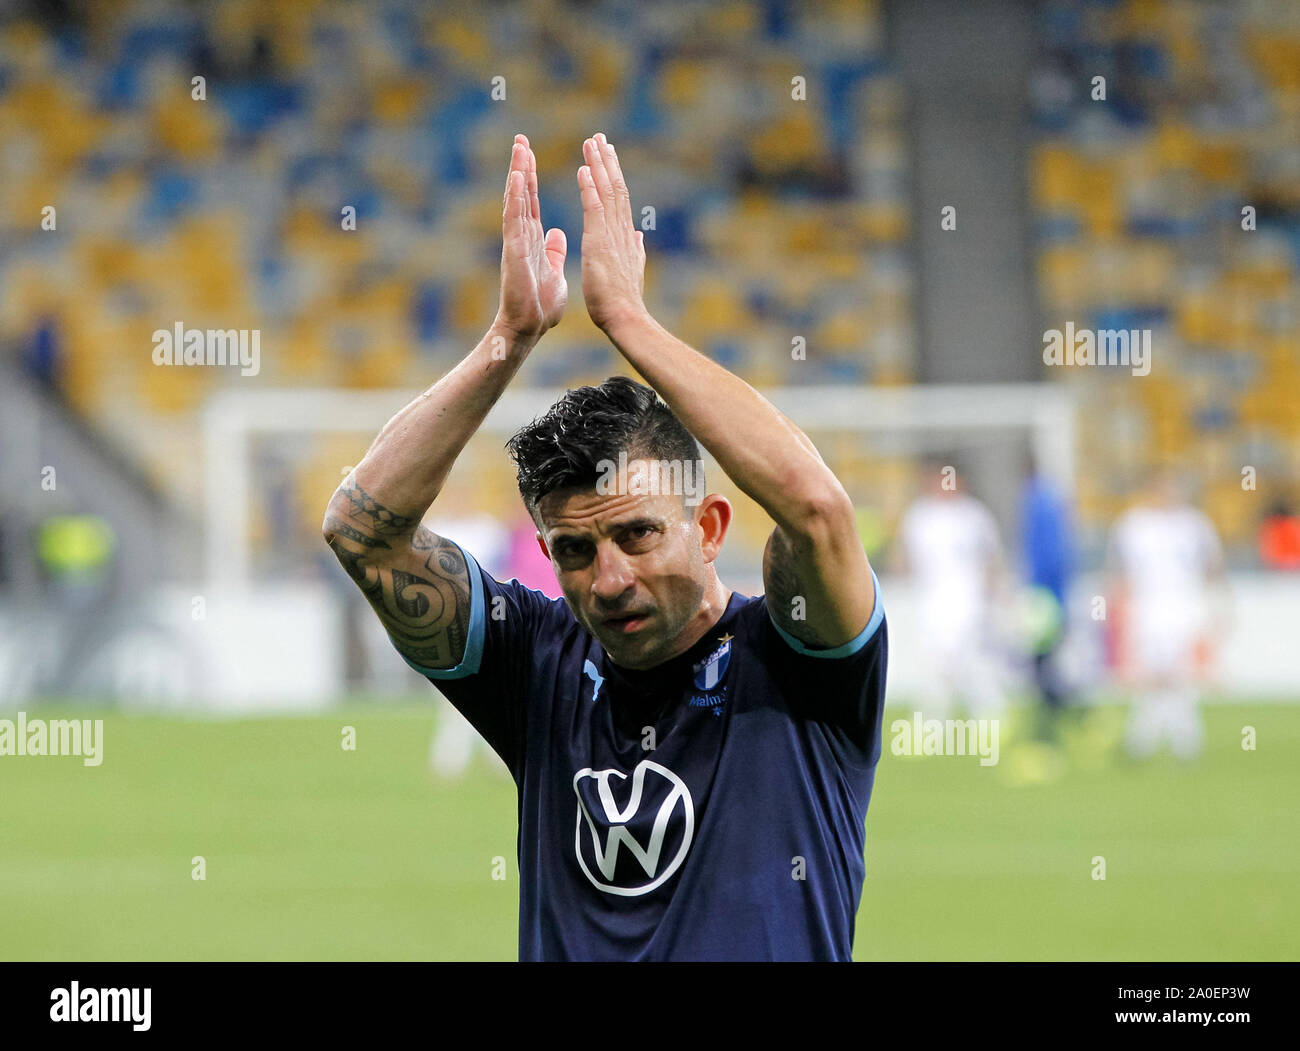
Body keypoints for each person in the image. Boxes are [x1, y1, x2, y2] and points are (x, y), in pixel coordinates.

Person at [322, 133, 887, 961]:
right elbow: (362, 533)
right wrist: (507, 341)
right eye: (575, 550)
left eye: (638, 533)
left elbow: (817, 511)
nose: (610, 578)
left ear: (711, 527)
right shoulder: (535, 663)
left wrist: (629, 322)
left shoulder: (802, 660)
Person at [1107, 467, 1227, 761]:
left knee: (1178, 675)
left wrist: (1220, 607)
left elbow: (1213, 568)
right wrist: (1113, 612)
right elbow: (1119, 573)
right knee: (1151, 676)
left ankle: (1167, 742)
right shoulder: (1133, 525)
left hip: (1185, 609)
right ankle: (1155, 741)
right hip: (1147, 611)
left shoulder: (1195, 525)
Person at [897, 458, 1005, 720]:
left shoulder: (974, 515)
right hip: (932, 600)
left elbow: (991, 557)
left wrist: (996, 593)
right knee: (936, 661)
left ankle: (989, 714)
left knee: (972, 659)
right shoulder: (920, 515)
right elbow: (903, 557)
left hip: (970, 598)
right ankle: (934, 719)